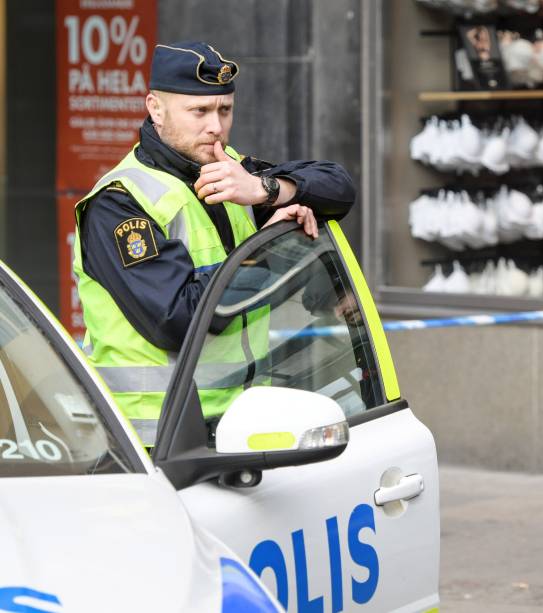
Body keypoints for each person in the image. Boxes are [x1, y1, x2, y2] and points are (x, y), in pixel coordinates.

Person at [72, 42, 356, 446]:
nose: (216, 127)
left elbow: (339, 189)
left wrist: (267, 190)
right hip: (153, 438)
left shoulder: (228, 171)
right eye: (199, 112)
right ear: (155, 108)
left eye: (225, 110)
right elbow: (179, 319)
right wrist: (268, 251)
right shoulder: (120, 202)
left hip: (235, 421)